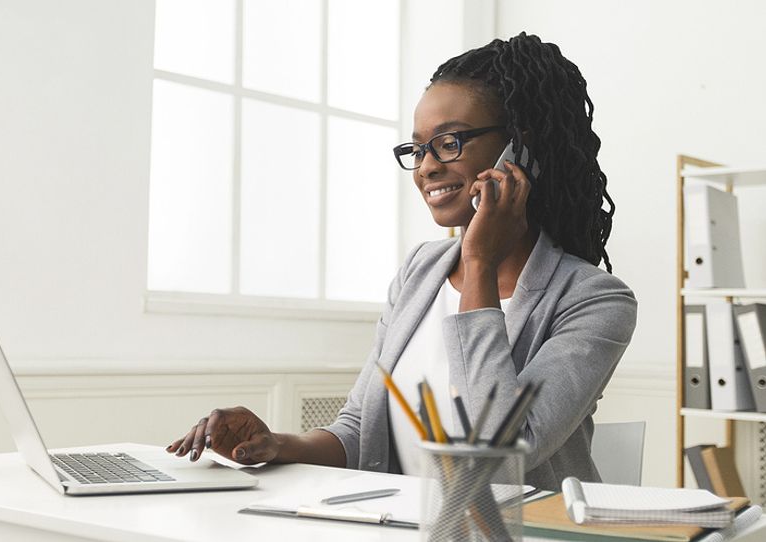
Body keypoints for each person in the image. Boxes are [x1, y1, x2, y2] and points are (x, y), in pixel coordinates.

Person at [165, 32, 637, 491]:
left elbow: (498, 458)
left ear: (521, 147)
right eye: (417, 149)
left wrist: (478, 262)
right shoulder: (421, 271)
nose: (427, 166)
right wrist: (277, 444)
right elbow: (359, 430)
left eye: (450, 142)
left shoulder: (595, 301)